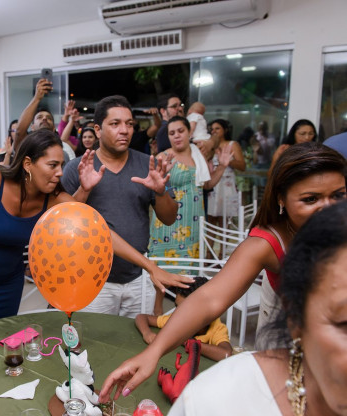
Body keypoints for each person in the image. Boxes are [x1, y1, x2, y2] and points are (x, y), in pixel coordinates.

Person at [98, 142, 347, 402]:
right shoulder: (268, 244)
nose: (328, 208)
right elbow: (209, 299)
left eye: (338, 195)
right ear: (281, 199)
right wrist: (153, 352)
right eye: (310, 199)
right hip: (298, 366)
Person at [0, 129, 191, 333]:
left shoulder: (54, 198)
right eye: (52, 165)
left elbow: (100, 230)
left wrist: (150, 267)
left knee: (2, 338)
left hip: (8, 282)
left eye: (61, 166)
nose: (60, 173)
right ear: (28, 164)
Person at [168, 200, 347, 415]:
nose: (325, 204)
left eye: (338, 194)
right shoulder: (218, 401)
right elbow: (210, 298)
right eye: (344, 323)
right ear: (296, 319)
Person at [62, 95, 193, 318]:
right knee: (95, 337)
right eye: (115, 124)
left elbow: (170, 218)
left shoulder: (148, 164)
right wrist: (84, 189)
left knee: (136, 336)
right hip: (92, 278)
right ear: (98, 130)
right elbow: (64, 224)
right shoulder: (78, 167)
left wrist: (160, 192)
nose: (124, 130)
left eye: (129, 124)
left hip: (138, 278)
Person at [148, 116, 233, 313]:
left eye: (180, 131)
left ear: (189, 132)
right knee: (162, 268)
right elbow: (155, 189)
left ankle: (183, 314)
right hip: (167, 224)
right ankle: (157, 312)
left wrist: (222, 166)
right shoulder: (163, 157)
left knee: (188, 272)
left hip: (193, 222)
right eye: (172, 133)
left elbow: (207, 184)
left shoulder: (198, 156)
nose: (176, 136)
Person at [135, 276, 233, 361]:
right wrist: (146, 333)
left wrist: (186, 341)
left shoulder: (216, 327)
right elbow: (142, 317)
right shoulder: (177, 320)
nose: (178, 313)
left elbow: (225, 354)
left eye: (184, 310)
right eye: (177, 307)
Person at [14, 78, 75, 161]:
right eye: (39, 117)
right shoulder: (28, 145)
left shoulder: (64, 148)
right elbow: (19, 132)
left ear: (54, 128)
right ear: (32, 127)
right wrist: (37, 98)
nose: (45, 118)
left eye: (49, 118)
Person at [206, 119, 246, 221]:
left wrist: (228, 161)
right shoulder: (209, 145)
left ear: (225, 130)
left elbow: (242, 166)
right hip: (212, 183)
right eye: (212, 129)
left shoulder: (232, 144)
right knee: (210, 218)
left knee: (225, 219)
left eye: (217, 128)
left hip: (226, 184)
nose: (214, 131)